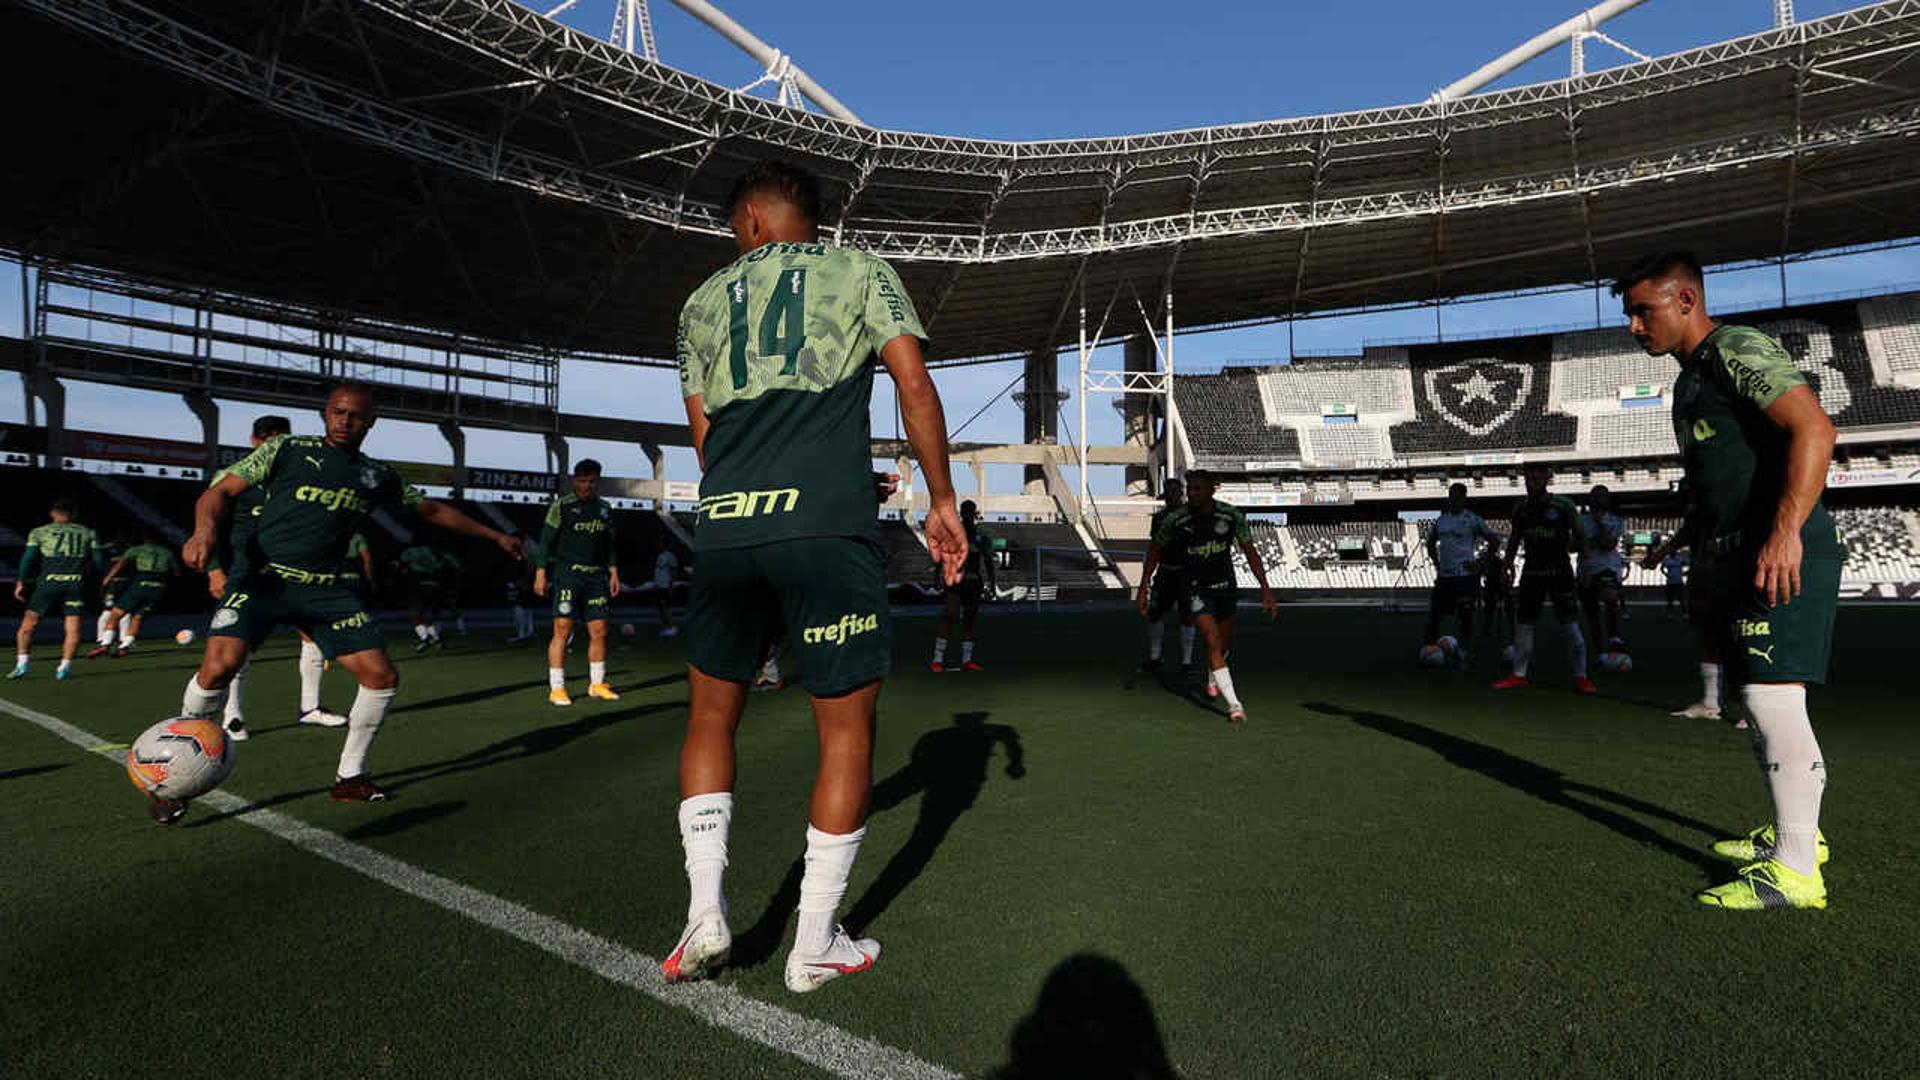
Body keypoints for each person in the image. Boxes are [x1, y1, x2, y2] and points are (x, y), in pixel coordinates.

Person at [662, 161, 965, 993]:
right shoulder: (863, 270)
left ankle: (704, 914)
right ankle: (814, 945)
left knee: (709, 718)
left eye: (734, 227)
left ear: (753, 220)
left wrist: (752, 497)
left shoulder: (699, 302)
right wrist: (941, 500)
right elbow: (913, 386)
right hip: (826, 526)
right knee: (844, 734)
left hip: (726, 526)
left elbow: (705, 435)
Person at [171, 382, 523, 823]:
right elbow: (217, 492)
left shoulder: (376, 474)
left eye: (355, 415)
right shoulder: (286, 449)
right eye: (338, 412)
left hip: (326, 589)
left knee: (381, 676)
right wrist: (204, 532)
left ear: (370, 421)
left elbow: (431, 511)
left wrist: (495, 536)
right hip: (263, 580)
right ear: (325, 413)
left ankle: (350, 776)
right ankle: (176, 757)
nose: (345, 421)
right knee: (218, 668)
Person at [1615, 252, 1842, 909]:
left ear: (1686, 301)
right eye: (1629, 313)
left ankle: (1797, 870)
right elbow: (1713, 481)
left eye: (1643, 310)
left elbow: (1814, 429)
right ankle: (1799, 834)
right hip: (1735, 551)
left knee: (1773, 700)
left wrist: (1785, 533)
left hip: (1782, 548)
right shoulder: (1688, 383)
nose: (1633, 326)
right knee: (1760, 699)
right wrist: (1687, 548)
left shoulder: (1735, 348)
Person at [206, 414, 350, 740]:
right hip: (249, 570)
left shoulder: (297, 472)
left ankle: (310, 708)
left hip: (298, 570)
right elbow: (212, 524)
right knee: (236, 645)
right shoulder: (231, 477)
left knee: (311, 635)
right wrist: (214, 569)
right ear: (254, 441)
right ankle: (233, 717)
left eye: (281, 439)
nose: (275, 445)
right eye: (268, 439)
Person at [1135, 470, 1276, 724]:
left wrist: (1265, 589)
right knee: (1211, 641)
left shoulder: (1231, 516)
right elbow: (1154, 551)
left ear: (1212, 490)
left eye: (1198, 488)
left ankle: (1214, 675)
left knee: (1222, 644)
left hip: (1226, 587)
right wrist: (1144, 586)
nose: (1192, 493)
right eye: (1190, 488)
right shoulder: (1174, 520)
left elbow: (1250, 551)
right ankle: (1235, 705)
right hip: (1195, 588)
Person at [1492, 464, 1596, 694]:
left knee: (1570, 625)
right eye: (1528, 479)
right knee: (1524, 625)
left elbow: (1582, 538)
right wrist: (1506, 565)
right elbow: (1515, 539)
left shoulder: (1564, 505)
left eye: (1536, 479)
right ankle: (1518, 675)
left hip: (1560, 572)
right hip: (1531, 573)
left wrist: (1586, 567)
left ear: (1547, 480)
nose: (1532, 483)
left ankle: (1582, 677)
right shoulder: (1520, 509)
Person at [535, 459, 622, 706]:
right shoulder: (561, 506)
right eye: (582, 481)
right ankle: (557, 688)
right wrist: (540, 573)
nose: (587, 486)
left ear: (598, 481)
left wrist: (613, 572)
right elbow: (545, 543)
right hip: (568, 576)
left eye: (592, 481)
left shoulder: (605, 508)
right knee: (562, 629)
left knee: (599, 630)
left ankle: (597, 684)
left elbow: (609, 545)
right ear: (575, 481)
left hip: (597, 577)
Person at [9, 497, 104, 681]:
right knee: (73, 629)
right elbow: (99, 561)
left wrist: (20, 581)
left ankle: (22, 664)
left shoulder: (39, 532)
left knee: (27, 626)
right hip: (76, 582)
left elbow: (28, 558)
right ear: (74, 514)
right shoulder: (88, 532)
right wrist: (97, 582)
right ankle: (64, 667)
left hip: (49, 581)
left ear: (52, 513)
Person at [1425, 482, 1504, 669]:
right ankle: (1429, 651)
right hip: (1445, 577)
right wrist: (1437, 564)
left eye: (1457, 496)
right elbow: (1430, 543)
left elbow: (1494, 541)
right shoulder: (1441, 520)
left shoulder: (1473, 519)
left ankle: (1463, 654)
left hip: (1465, 577)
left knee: (1466, 617)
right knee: (1435, 615)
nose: (1453, 499)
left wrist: (1480, 563)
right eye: (1451, 496)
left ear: (1464, 498)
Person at [930, 500, 995, 673]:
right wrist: (937, 575)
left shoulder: (980, 535)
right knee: (950, 615)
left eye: (970, 511)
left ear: (973, 513)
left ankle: (967, 660)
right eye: (965, 511)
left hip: (974, 581)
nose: (967, 514)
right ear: (961, 512)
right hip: (956, 579)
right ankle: (937, 660)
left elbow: (988, 560)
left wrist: (992, 583)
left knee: (970, 618)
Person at [1138, 478, 1196, 673]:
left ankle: (1187, 661)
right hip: (1165, 571)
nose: (1171, 495)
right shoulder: (1159, 518)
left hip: (1186, 573)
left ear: (1180, 493)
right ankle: (1155, 657)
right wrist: (1145, 579)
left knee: (1187, 616)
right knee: (1154, 614)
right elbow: (1154, 547)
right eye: (1168, 491)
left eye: (1174, 491)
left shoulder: (1192, 516)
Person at [90, 532, 179, 657]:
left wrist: (108, 578)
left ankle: (105, 645)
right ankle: (125, 646)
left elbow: (120, 564)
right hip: (158, 587)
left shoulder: (136, 549)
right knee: (138, 617)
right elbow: (176, 572)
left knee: (114, 615)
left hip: (141, 582)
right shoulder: (167, 552)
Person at [1577, 485, 1627, 654]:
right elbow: (1571, 545)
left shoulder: (1616, 520)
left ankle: (1614, 638)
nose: (1599, 500)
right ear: (1590, 499)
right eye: (1595, 496)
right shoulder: (1580, 521)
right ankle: (1601, 651)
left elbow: (1609, 544)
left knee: (1611, 598)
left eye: (1603, 496)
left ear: (1608, 500)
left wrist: (1599, 526)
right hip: (1586, 569)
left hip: (1608, 567)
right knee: (1592, 612)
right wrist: (1596, 541)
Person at [397, 541, 446, 652]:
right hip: (434, 584)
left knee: (416, 615)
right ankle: (436, 639)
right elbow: (442, 565)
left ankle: (425, 639)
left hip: (418, 583)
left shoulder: (409, 551)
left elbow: (402, 564)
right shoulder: (431, 550)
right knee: (430, 614)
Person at [92, 534, 129, 651]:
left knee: (125, 611)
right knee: (108, 611)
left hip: (125, 583)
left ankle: (124, 641)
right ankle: (101, 639)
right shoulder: (105, 550)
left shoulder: (129, 550)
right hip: (112, 584)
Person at [506, 530, 538, 644]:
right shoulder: (526, 549)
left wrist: (523, 580)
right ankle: (529, 631)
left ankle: (522, 634)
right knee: (527, 607)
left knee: (518, 606)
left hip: (522, 582)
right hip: (525, 581)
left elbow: (529, 565)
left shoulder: (523, 550)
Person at [652, 544, 681, 638]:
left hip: (666, 584)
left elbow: (674, 571)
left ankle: (671, 627)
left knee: (667, 607)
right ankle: (666, 627)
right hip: (659, 584)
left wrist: (672, 585)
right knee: (662, 607)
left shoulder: (670, 556)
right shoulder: (659, 556)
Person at [1661, 546, 1689, 618]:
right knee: (1670, 598)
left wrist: (1685, 573)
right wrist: (1666, 574)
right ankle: (1671, 612)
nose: (1672, 553)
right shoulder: (1667, 559)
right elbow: (1662, 568)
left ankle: (1684, 612)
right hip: (1670, 581)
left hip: (1678, 581)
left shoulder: (1680, 558)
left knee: (1681, 598)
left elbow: (1688, 564)